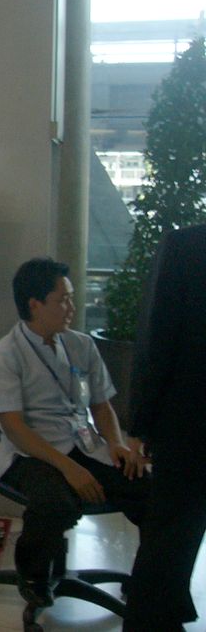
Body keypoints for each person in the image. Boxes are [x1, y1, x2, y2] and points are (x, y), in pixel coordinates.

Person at [0, 257, 149, 608]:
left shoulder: (81, 345)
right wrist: (68, 468)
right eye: (63, 300)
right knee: (56, 503)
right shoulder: (5, 356)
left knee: (150, 489)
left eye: (71, 298)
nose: (72, 307)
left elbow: (101, 405)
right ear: (34, 305)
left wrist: (116, 443)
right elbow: (13, 427)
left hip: (81, 443)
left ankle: (149, 580)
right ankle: (33, 575)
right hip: (30, 451)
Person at [124, 225, 206, 631]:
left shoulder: (187, 247)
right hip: (188, 423)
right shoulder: (187, 246)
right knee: (178, 529)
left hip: (187, 421)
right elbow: (158, 340)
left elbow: (157, 337)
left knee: (179, 529)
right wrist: (139, 425)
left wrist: (141, 421)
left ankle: (164, 609)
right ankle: (156, 615)